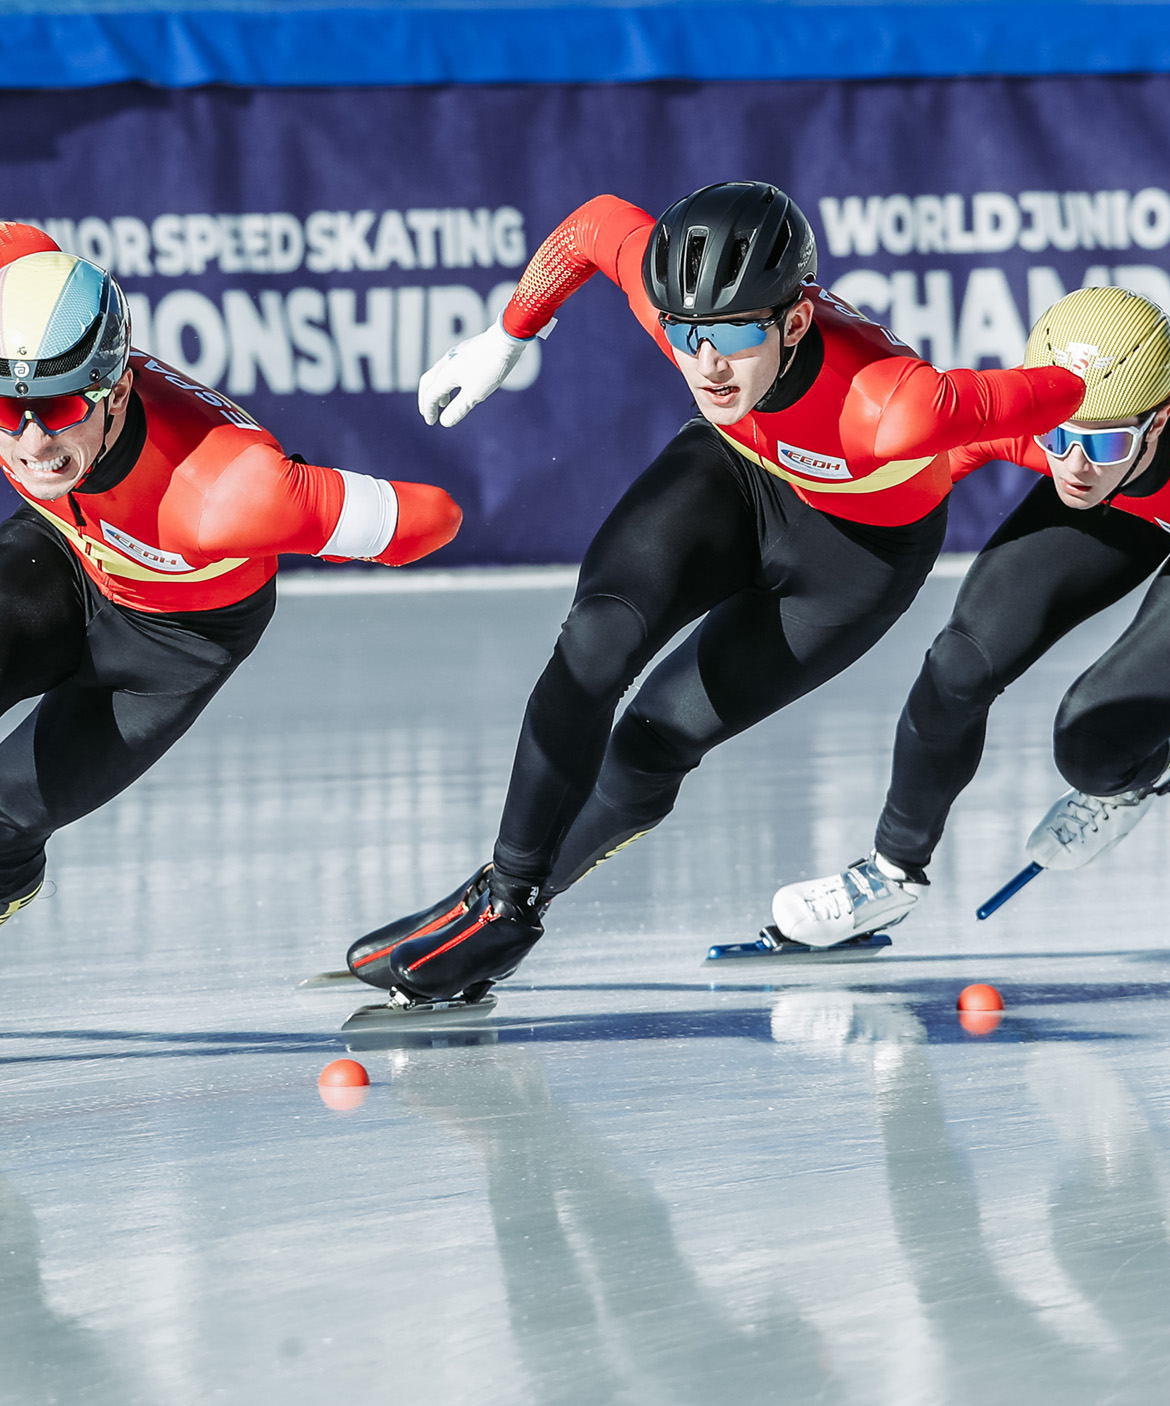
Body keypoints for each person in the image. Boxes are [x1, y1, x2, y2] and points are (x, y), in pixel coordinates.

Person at [0, 179, 462, 1051]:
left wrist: (307, 501)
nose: (34, 441)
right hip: (62, 557)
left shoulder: (230, 494)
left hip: (177, 639)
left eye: (63, 408)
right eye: (7, 409)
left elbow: (436, 517)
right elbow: (7, 249)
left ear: (115, 388)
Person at [344, 181, 1090, 1006]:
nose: (707, 363)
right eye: (686, 334)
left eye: (735, 335)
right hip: (731, 474)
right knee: (594, 644)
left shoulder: (893, 405)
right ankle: (504, 901)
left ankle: (514, 897)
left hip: (855, 559)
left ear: (796, 321)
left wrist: (1116, 392)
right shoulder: (680, 310)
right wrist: (507, 332)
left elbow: (1064, 390)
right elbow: (593, 226)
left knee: (654, 741)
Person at [769, 287, 1170, 944]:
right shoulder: (1057, 440)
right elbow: (912, 473)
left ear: (1159, 420)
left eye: (1106, 444)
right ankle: (890, 875)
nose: (1076, 466)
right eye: (1056, 436)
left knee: (1093, 749)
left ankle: (1150, 766)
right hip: (1158, 478)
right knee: (958, 664)